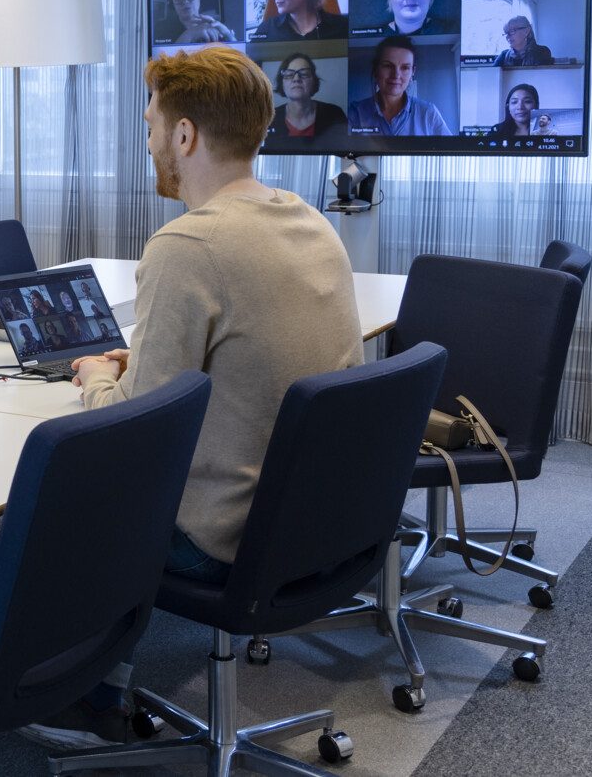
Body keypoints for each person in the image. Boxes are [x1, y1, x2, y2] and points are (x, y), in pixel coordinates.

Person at [19, 47, 362, 750]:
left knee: (49, 499)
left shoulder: (188, 246)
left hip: (227, 540)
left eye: (150, 126)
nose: (148, 142)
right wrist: (139, 362)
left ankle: (83, 698)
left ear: (184, 136)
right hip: (319, 520)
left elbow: (129, 433)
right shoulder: (308, 221)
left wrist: (94, 378)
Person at [346, 36, 453, 135]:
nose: (396, 75)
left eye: (405, 67)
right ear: (375, 70)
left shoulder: (428, 112)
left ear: (412, 72)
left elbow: (449, 152)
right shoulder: (355, 112)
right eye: (387, 66)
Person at [265, 52, 349, 143]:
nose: (296, 79)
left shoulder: (334, 114)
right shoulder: (269, 118)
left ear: (314, 82)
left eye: (304, 74)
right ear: (282, 83)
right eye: (289, 74)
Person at [161, 0, 237, 43]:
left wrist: (228, 35)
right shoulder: (160, 29)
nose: (185, 1)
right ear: (171, 2)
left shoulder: (213, 26)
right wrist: (189, 35)